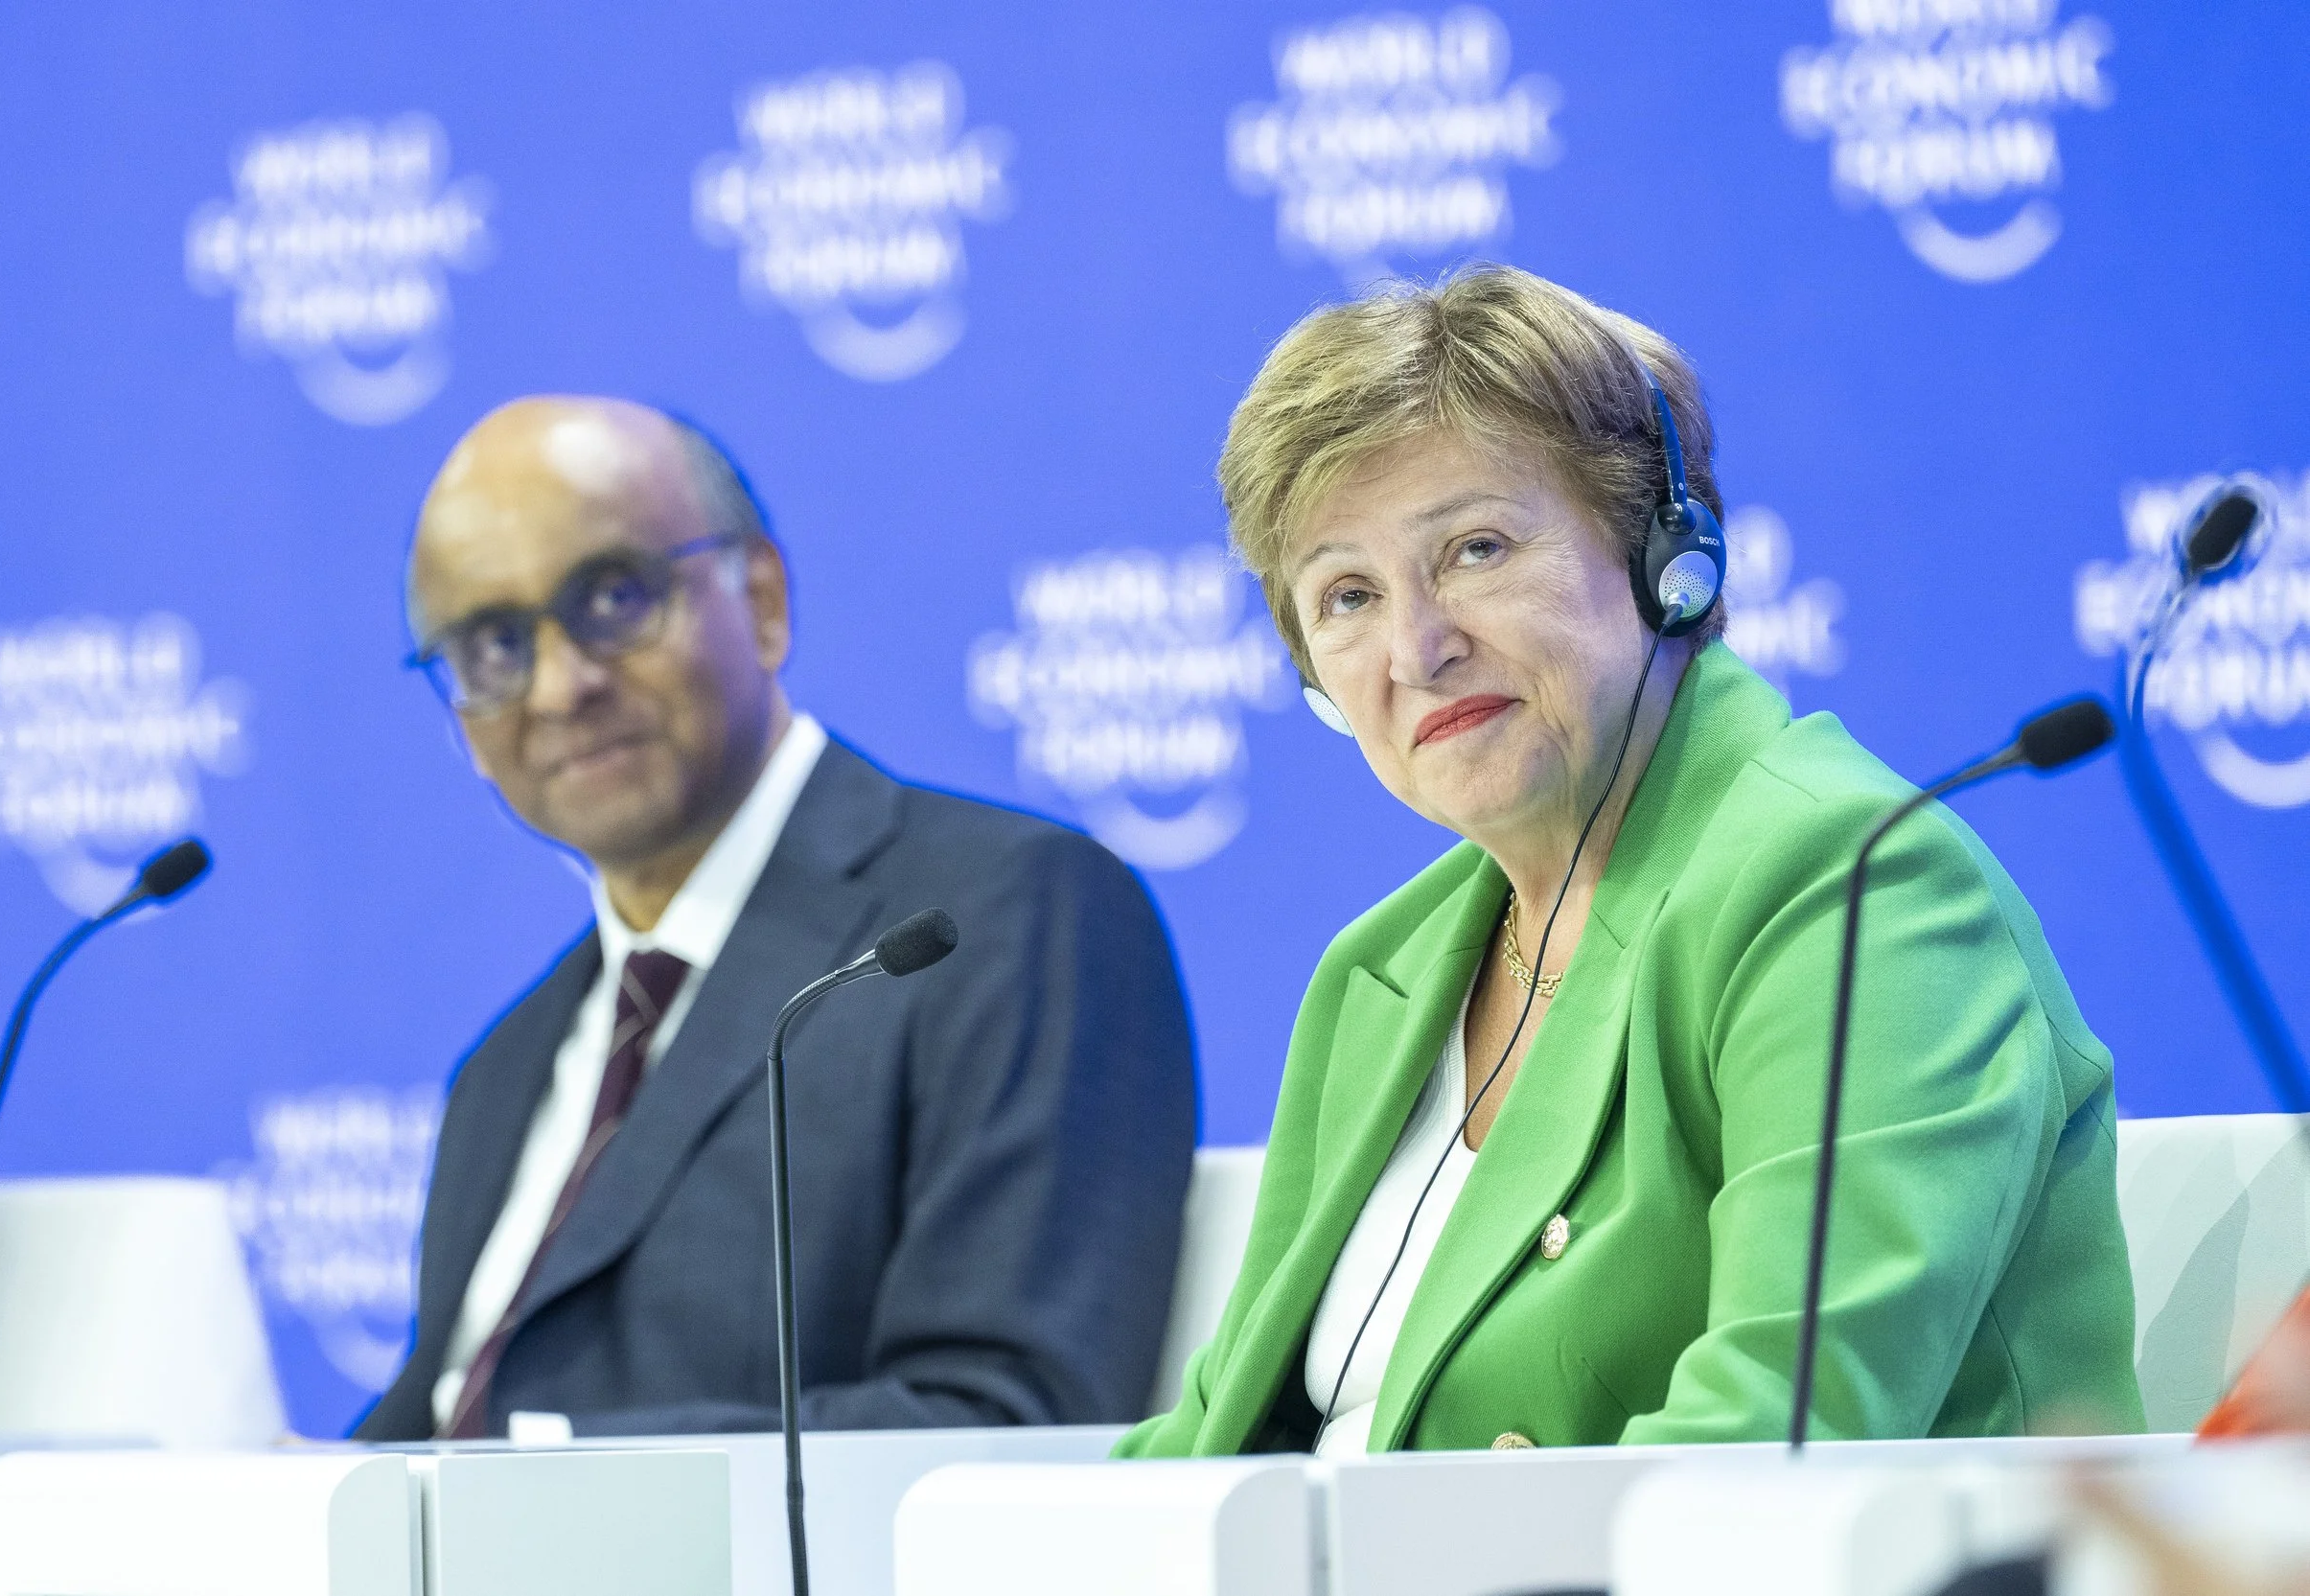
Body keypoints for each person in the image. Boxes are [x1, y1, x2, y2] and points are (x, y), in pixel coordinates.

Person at [1120, 266, 2143, 1457]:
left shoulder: (1851, 887)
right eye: (1345, 595)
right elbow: (1205, 1444)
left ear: (1663, 551)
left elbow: (1775, 1434)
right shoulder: (1379, 975)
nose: (1418, 646)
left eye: (1474, 549)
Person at [356, 396, 1198, 1441]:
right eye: (491, 647)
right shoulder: (505, 1068)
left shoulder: (1000, 919)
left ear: (760, 599)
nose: (562, 685)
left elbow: (1010, 1421)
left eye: (613, 597)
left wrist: (534, 1491)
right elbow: (427, 1434)